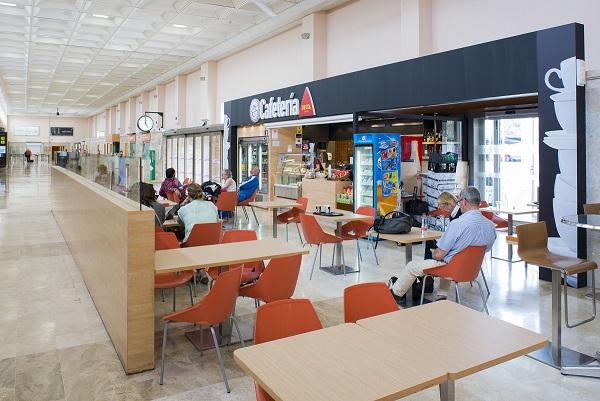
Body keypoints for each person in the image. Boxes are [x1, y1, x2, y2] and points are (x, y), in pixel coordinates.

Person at [390, 186, 496, 301]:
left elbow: (439, 255)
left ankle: (394, 294)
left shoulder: (457, 224)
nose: (459, 204)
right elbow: (486, 249)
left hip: (451, 268)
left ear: (464, 202)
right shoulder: (490, 225)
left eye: (459, 201)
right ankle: (442, 294)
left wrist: (436, 252)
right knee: (446, 257)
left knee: (412, 266)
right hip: (472, 269)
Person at [423, 192, 462, 259]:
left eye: (440, 205)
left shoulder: (458, 216)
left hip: (456, 249)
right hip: (457, 244)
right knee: (431, 240)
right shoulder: (454, 213)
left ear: (448, 205)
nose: (439, 208)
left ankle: (429, 265)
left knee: (430, 242)